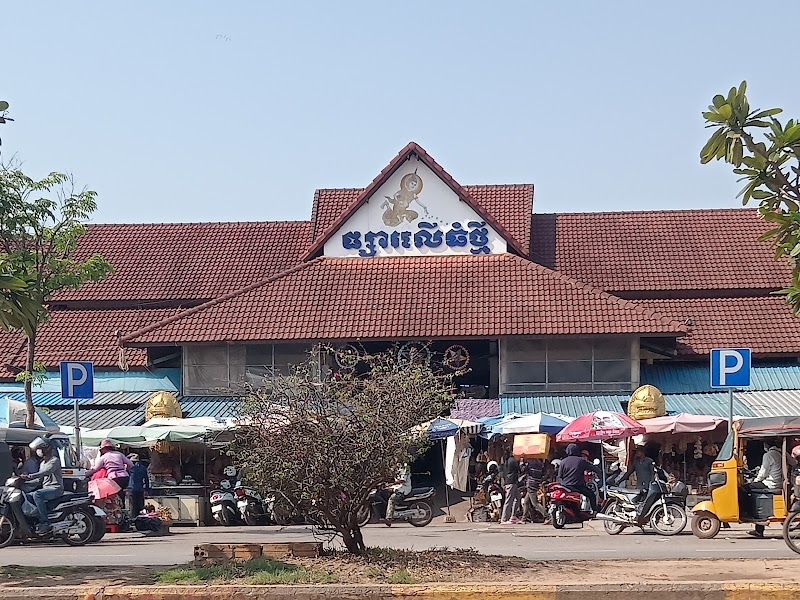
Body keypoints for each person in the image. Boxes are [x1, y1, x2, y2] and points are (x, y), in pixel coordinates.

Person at [746, 439, 796, 538]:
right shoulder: (782, 452)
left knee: (745, 489)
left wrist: (755, 481)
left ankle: (751, 517)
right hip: (780, 484)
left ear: (766, 445)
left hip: (770, 484)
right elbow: (794, 462)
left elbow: (763, 473)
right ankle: (758, 530)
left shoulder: (768, 455)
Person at [20, 437, 63, 534]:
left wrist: (31, 476)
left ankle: (45, 522)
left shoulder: (54, 460)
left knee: (37, 494)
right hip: (46, 488)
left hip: (55, 489)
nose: (38, 452)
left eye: (40, 449)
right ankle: (36, 520)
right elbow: (39, 480)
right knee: (26, 496)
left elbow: (46, 472)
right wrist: (24, 481)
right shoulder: (42, 463)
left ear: (46, 449)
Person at [87, 439, 134, 508]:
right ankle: (124, 509)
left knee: (115, 496)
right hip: (125, 476)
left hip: (114, 478)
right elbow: (131, 464)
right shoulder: (119, 454)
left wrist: (84, 474)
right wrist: (126, 469)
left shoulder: (104, 457)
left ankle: (118, 510)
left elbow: (94, 469)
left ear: (103, 449)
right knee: (122, 495)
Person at [558, 443, 602, 514]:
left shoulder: (563, 462)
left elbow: (559, 476)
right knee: (591, 495)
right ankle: (594, 511)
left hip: (565, 486)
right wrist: (599, 471)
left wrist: (562, 483)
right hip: (578, 486)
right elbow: (593, 468)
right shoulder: (581, 461)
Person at [521, 458, 548, 524]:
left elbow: (523, 470)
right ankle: (523, 519)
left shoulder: (530, 462)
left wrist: (522, 462)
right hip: (536, 483)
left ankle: (547, 516)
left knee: (535, 503)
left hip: (531, 484)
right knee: (526, 502)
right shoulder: (540, 463)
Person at [501, 452, 521, 524]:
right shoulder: (512, 461)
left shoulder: (507, 461)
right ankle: (504, 519)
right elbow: (519, 469)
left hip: (511, 482)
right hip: (511, 482)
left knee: (517, 498)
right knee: (509, 500)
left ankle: (513, 516)